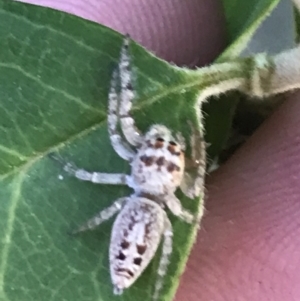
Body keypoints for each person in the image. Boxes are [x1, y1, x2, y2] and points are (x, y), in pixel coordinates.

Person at [21, 0, 300, 299]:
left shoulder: (131, 153)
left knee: (159, 239)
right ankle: (151, 287)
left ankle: (145, 284)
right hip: (153, 211)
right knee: (166, 243)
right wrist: (194, 143)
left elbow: (118, 124)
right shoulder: (175, 198)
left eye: (162, 146)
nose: (161, 137)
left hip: (142, 206)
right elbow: (192, 191)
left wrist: (123, 73)